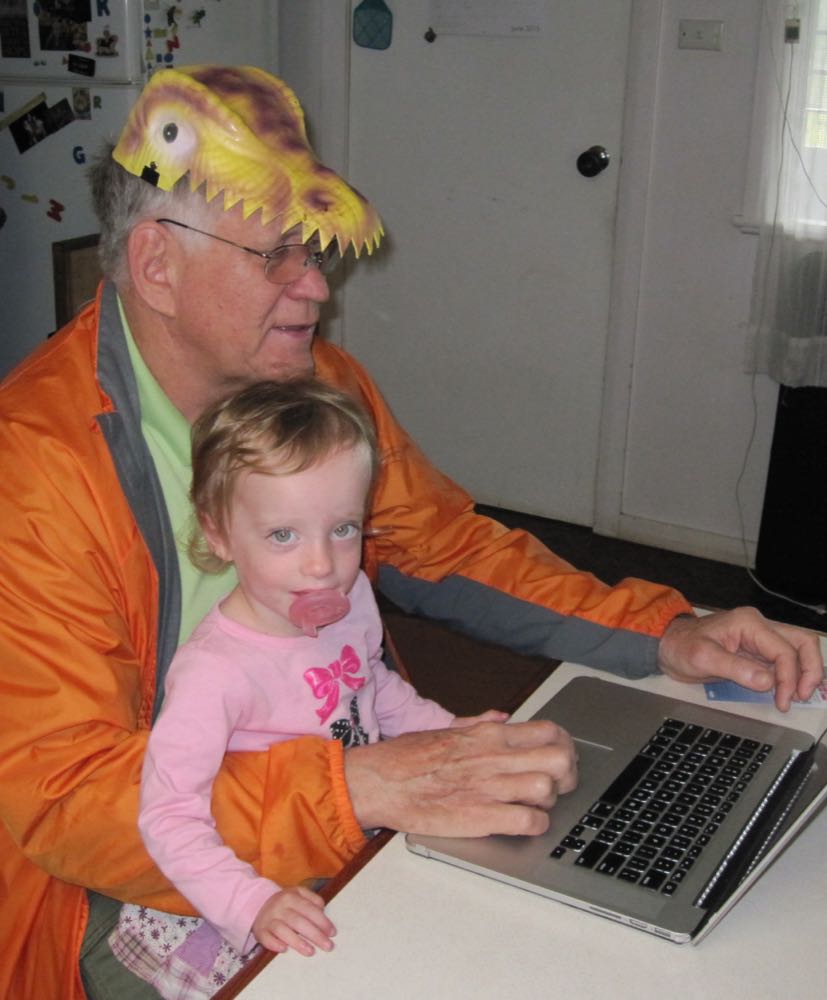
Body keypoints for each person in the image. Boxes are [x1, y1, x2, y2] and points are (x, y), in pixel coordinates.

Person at [0, 65, 821, 1000]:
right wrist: (358, 788)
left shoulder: (319, 389)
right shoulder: (30, 471)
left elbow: (441, 548)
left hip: (328, 779)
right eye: (278, 255)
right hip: (122, 883)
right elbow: (69, 802)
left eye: (316, 250)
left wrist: (664, 633)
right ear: (157, 265)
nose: (317, 287)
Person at [109, 378, 514, 998]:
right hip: (243, 883)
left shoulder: (349, 600)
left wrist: (448, 731)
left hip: (346, 837)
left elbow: (371, 685)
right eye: (283, 535)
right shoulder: (215, 672)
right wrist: (249, 904)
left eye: (343, 529)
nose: (322, 565)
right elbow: (167, 816)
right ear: (218, 534)